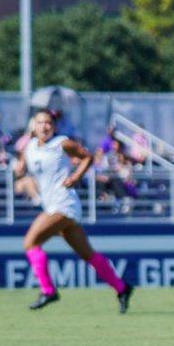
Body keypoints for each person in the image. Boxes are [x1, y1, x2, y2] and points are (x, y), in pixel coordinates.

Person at [14, 109, 135, 312]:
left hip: (64, 204)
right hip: (52, 204)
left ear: (54, 126)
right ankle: (122, 287)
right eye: (40, 122)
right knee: (87, 254)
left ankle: (48, 290)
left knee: (30, 242)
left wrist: (77, 176)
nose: (45, 126)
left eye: (48, 123)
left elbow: (87, 157)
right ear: (33, 126)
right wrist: (19, 169)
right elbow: (23, 166)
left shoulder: (61, 143)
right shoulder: (30, 147)